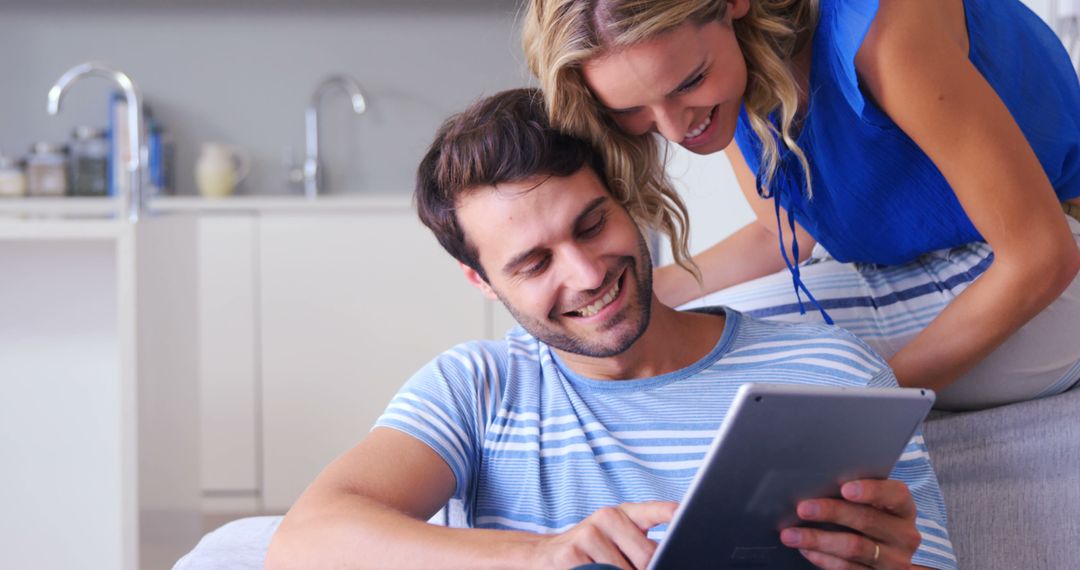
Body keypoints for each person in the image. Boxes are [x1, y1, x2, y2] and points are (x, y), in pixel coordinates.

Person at [265, 88, 956, 570]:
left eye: (592, 224)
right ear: (483, 282)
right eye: (534, 262)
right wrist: (543, 555)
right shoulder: (477, 388)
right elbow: (305, 543)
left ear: (626, 202)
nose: (587, 274)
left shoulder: (832, 372)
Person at [522, 0, 1080, 410]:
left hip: (1055, 268)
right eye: (632, 110)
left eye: (688, 82)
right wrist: (632, 298)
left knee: (705, 372)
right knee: (628, 343)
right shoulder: (733, 80)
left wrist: (864, 408)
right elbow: (781, 232)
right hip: (938, 267)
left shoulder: (883, 33)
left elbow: (1040, 258)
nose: (675, 128)